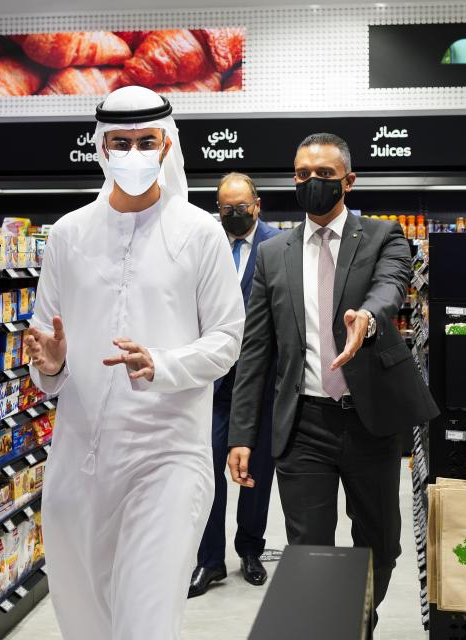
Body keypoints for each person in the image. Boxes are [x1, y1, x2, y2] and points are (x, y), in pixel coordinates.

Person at [25, 86, 245, 639]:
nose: (133, 153)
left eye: (146, 141)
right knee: (84, 617)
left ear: (167, 145)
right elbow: (46, 349)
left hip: (167, 456)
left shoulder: (200, 233)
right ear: (102, 149)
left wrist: (163, 365)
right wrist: (49, 366)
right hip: (79, 460)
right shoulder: (69, 235)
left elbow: (226, 338)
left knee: (144, 620)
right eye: (120, 142)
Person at [227, 133, 439, 623]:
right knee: (309, 553)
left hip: (371, 421)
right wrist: (241, 434)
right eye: (302, 174)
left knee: (381, 544)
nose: (312, 183)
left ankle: (361, 618)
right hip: (304, 424)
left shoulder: (383, 235)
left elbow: (391, 285)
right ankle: (329, 628)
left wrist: (367, 317)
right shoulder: (273, 253)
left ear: (349, 180)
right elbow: (256, 350)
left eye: (324, 174)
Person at [189, 173, 279, 597]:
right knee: (207, 469)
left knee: (256, 470)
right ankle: (210, 561)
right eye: (227, 207)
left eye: (242, 205)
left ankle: (250, 550)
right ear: (218, 208)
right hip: (212, 380)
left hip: (260, 381)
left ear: (257, 205)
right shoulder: (205, 243)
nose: (235, 213)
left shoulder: (278, 246)